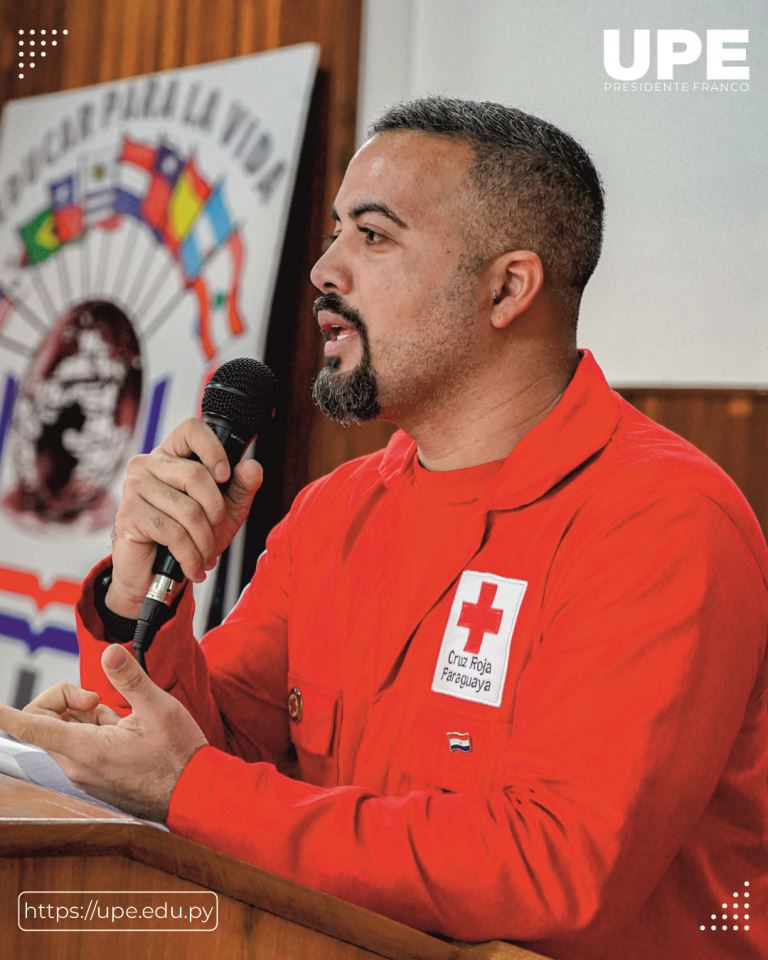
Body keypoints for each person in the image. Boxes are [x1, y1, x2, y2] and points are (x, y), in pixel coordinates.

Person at [1, 97, 765, 960]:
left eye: (373, 235)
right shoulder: (337, 510)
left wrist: (189, 787)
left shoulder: (659, 521)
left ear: (507, 288)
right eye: (333, 233)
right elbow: (225, 755)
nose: (325, 269)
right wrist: (141, 597)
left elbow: (554, 873)